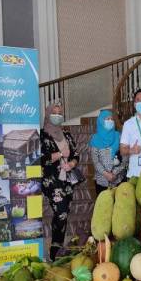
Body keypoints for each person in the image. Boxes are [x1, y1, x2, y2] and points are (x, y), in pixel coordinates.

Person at [41, 103, 80, 261]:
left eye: (59, 113)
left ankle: (57, 246)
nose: (57, 115)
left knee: (63, 214)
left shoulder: (67, 135)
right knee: (61, 213)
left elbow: (76, 155)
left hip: (67, 180)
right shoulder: (42, 135)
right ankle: (55, 250)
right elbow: (41, 159)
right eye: (54, 113)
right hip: (52, 181)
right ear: (48, 114)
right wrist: (59, 154)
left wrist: (71, 164)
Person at [90, 109, 128, 195]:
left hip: (119, 179)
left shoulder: (119, 136)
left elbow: (125, 157)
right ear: (101, 121)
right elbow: (95, 161)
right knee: (104, 207)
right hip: (101, 181)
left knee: (120, 206)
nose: (110, 121)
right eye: (107, 119)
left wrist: (114, 173)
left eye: (111, 119)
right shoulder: (95, 139)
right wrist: (106, 174)